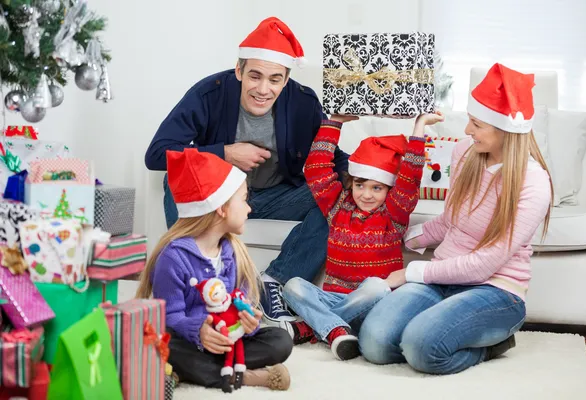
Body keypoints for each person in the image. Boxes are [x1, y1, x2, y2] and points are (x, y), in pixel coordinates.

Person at [145, 17, 348, 326]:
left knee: (336, 194)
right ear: (239, 70)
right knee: (176, 178)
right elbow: (158, 153)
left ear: (286, 79)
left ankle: (275, 282)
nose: (263, 89)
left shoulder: (303, 102)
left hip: (279, 195)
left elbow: (329, 156)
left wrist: (365, 174)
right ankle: (194, 277)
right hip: (222, 199)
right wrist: (226, 152)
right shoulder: (207, 94)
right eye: (255, 76)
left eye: (275, 79)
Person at [358, 63, 553, 374]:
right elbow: (451, 222)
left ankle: (491, 346)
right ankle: (445, 331)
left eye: (476, 124)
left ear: (505, 129)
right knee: (374, 343)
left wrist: (411, 272)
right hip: (444, 279)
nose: (466, 131)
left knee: (421, 347)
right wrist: (394, 234)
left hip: (494, 290)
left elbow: (485, 264)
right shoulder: (465, 152)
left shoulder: (534, 183)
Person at [281, 112, 444, 360]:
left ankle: (315, 328)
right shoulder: (337, 206)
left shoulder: (393, 213)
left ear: (389, 189)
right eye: (360, 185)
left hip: (376, 305)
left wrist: (419, 126)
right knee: (292, 285)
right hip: (336, 298)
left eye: (376, 188)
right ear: (352, 183)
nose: (366, 195)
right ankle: (335, 329)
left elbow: (410, 175)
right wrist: (334, 122)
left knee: (377, 286)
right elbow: (316, 168)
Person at [136, 148, 293, 391]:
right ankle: (245, 375)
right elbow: (168, 317)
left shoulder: (234, 252)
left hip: (227, 340)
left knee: (281, 341)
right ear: (221, 208)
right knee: (163, 346)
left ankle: (201, 371)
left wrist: (247, 323)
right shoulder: (173, 258)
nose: (249, 208)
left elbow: (243, 302)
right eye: (243, 200)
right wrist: (199, 331)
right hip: (189, 341)